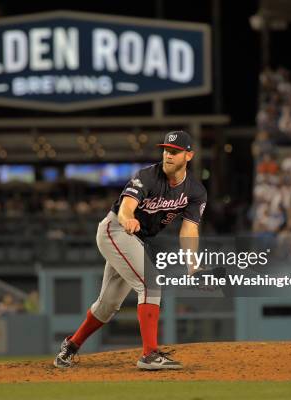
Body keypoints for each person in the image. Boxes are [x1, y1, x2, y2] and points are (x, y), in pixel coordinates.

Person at [53, 131, 207, 370]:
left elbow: (189, 231)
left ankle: (70, 347)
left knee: (108, 305)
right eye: (166, 150)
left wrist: (193, 265)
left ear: (189, 155)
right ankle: (149, 354)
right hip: (116, 230)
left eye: (175, 152)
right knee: (150, 283)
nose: (168, 155)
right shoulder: (148, 176)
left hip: (135, 240)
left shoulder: (195, 191)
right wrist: (127, 219)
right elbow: (126, 208)